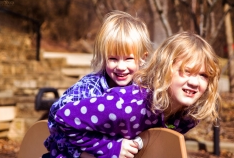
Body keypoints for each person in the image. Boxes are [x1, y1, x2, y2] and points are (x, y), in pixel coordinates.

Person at [54, 31, 221, 158]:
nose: (194, 82)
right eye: (186, 71)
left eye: (203, 75)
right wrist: (110, 147)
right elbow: (64, 118)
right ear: (165, 70)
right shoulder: (127, 106)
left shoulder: (188, 116)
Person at [43, 10, 153, 158]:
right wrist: (105, 148)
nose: (120, 66)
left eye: (128, 59)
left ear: (142, 58)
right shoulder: (88, 89)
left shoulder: (144, 93)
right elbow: (56, 121)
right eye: (113, 58)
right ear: (103, 56)